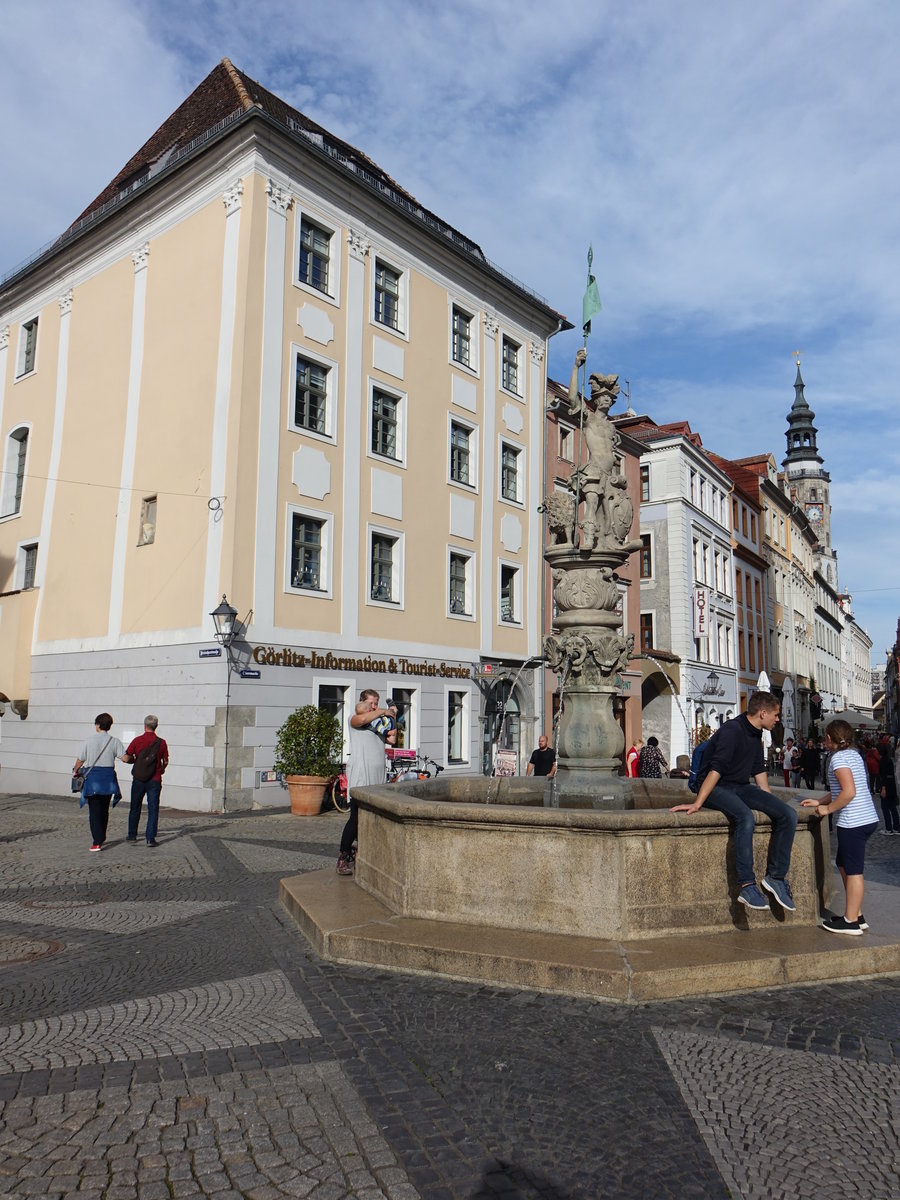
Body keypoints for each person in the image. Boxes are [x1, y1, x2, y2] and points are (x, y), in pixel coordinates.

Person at [670, 692, 797, 913]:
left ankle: (776, 877)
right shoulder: (732, 730)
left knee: (788, 814)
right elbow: (716, 769)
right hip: (713, 786)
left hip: (739, 786)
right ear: (763, 713)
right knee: (744, 817)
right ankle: (747, 886)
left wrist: (768, 801)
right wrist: (698, 803)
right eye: (775, 715)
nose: (778, 720)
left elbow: (758, 770)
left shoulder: (757, 733)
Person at [801, 720, 879, 934]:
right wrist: (820, 802)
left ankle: (851, 922)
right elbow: (844, 789)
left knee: (853, 871)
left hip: (853, 821)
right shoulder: (854, 755)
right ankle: (856, 914)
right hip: (866, 817)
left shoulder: (839, 759)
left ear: (828, 738)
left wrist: (828, 810)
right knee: (844, 864)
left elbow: (849, 792)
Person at [336, 689, 397, 876]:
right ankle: (343, 856)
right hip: (361, 773)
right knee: (356, 815)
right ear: (362, 703)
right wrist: (384, 711)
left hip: (378, 773)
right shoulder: (354, 719)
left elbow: (392, 739)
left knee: (374, 815)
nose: (374, 706)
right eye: (371, 703)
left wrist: (392, 717)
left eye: (376, 703)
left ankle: (366, 852)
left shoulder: (379, 723)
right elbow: (362, 719)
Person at [73, 713, 126, 852]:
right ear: (109, 726)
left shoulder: (88, 740)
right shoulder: (114, 741)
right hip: (108, 779)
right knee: (104, 809)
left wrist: (75, 770)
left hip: (93, 779)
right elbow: (125, 758)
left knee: (94, 811)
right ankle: (101, 836)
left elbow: (81, 759)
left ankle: (97, 840)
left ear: (97, 725)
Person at [124, 715, 169, 847]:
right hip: (154, 779)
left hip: (138, 779)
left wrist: (135, 761)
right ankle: (150, 838)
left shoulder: (137, 740)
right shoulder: (161, 742)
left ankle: (132, 835)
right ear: (156, 726)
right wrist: (162, 769)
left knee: (135, 807)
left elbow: (127, 757)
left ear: (145, 726)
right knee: (153, 808)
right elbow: (165, 760)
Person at [877, 745, 900, 835]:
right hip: (892, 786)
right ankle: (897, 828)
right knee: (893, 808)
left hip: (886, 786)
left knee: (885, 808)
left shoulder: (883, 761)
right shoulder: (889, 760)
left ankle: (888, 828)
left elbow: (883, 776)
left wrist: (883, 788)